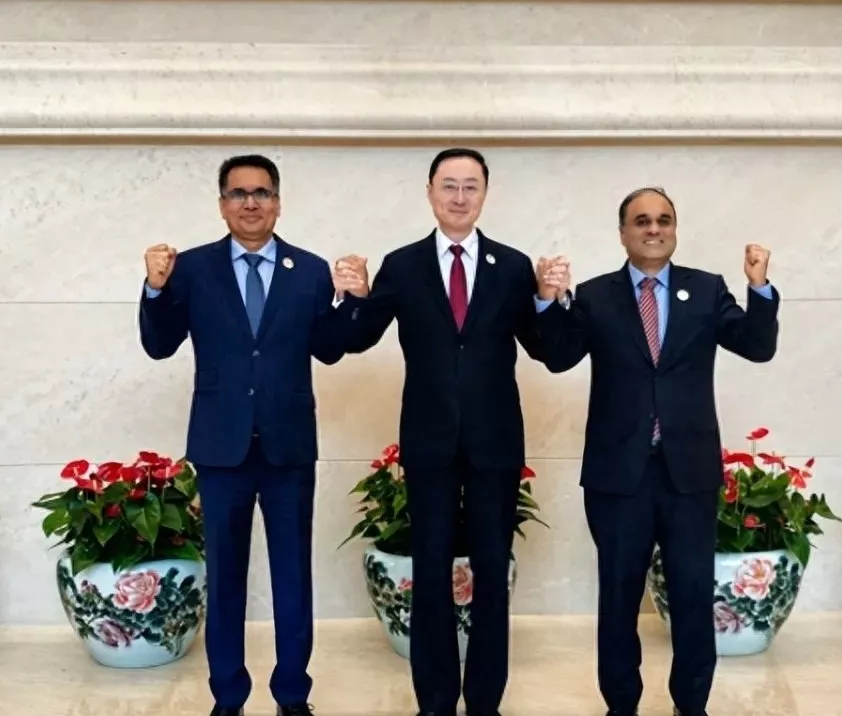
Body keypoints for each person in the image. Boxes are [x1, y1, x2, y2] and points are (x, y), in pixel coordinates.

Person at [533, 187, 779, 716]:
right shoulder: (595, 295)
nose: (654, 229)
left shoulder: (707, 290)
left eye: (664, 220)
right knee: (618, 597)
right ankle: (621, 704)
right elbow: (557, 356)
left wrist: (759, 287)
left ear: (675, 230)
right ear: (623, 233)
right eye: (642, 221)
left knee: (692, 596)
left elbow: (758, 347)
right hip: (618, 476)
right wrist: (549, 302)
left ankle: (691, 705)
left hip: (688, 473)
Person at [138, 154, 360, 716]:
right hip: (221, 447)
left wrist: (353, 300)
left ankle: (293, 695)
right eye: (238, 193)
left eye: (262, 193)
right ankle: (229, 696)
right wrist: (155, 288)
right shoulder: (192, 268)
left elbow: (330, 349)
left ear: (278, 203)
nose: (251, 203)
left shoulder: (310, 270)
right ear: (222, 205)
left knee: (293, 577)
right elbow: (159, 344)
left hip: (289, 446)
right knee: (226, 579)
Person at [330, 148, 547, 716]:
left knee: (491, 571)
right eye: (448, 185)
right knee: (429, 571)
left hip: (495, 443)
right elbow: (356, 339)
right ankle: (434, 701)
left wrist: (551, 302)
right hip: (429, 442)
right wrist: (354, 296)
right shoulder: (402, 265)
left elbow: (549, 349)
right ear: (429, 192)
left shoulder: (513, 266)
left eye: (470, 186)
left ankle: (485, 701)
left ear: (485, 194)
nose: (459, 197)